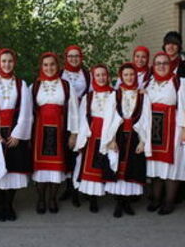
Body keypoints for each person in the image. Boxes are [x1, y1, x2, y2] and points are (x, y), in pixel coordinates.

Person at [0, 48, 32, 221]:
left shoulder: (21, 84)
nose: (7, 64)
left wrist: (18, 134)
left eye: (10, 61)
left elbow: (26, 112)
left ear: (14, 62)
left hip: (14, 134)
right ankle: (1, 205)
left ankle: (9, 204)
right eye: (3, 61)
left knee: (13, 170)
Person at [100, 63, 152, 218]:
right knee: (118, 168)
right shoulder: (114, 95)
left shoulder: (143, 95)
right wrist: (111, 140)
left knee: (132, 168)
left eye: (132, 74)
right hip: (119, 135)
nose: (129, 77)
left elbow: (146, 119)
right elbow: (108, 119)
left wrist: (143, 141)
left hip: (135, 136)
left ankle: (127, 202)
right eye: (126, 75)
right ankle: (119, 202)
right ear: (121, 76)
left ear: (136, 76)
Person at [32, 52, 79, 214]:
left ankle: (52, 199)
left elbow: (74, 111)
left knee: (56, 166)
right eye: (45, 65)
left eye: (52, 64)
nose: (49, 68)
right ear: (41, 66)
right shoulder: (35, 85)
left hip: (59, 129)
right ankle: (40, 199)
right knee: (41, 167)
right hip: (40, 131)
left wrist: (74, 133)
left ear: (57, 66)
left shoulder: (66, 85)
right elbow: (29, 111)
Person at [145, 51, 185, 215]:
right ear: (154, 66)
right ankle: (156, 199)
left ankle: (169, 202)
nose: (161, 66)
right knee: (155, 165)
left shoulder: (178, 82)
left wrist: (183, 130)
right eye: (158, 63)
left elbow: (183, 107)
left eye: (165, 63)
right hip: (153, 128)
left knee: (171, 166)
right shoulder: (150, 82)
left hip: (172, 129)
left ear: (171, 65)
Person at [73, 64, 113, 213]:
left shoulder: (115, 94)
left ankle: (106, 192)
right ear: (93, 77)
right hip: (92, 133)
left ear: (108, 76)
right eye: (98, 75)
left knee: (105, 163)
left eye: (104, 75)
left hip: (108, 133)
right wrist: (84, 136)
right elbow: (83, 117)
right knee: (89, 165)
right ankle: (92, 198)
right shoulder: (88, 97)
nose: (101, 78)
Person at [59, 45, 90, 206]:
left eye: (76, 56)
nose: (73, 59)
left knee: (81, 151)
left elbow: (92, 94)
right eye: (70, 56)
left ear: (81, 57)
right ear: (66, 57)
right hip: (65, 118)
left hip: (83, 117)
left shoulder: (87, 74)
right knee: (68, 151)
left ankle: (81, 185)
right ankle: (69, 186)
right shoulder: (59, 73)